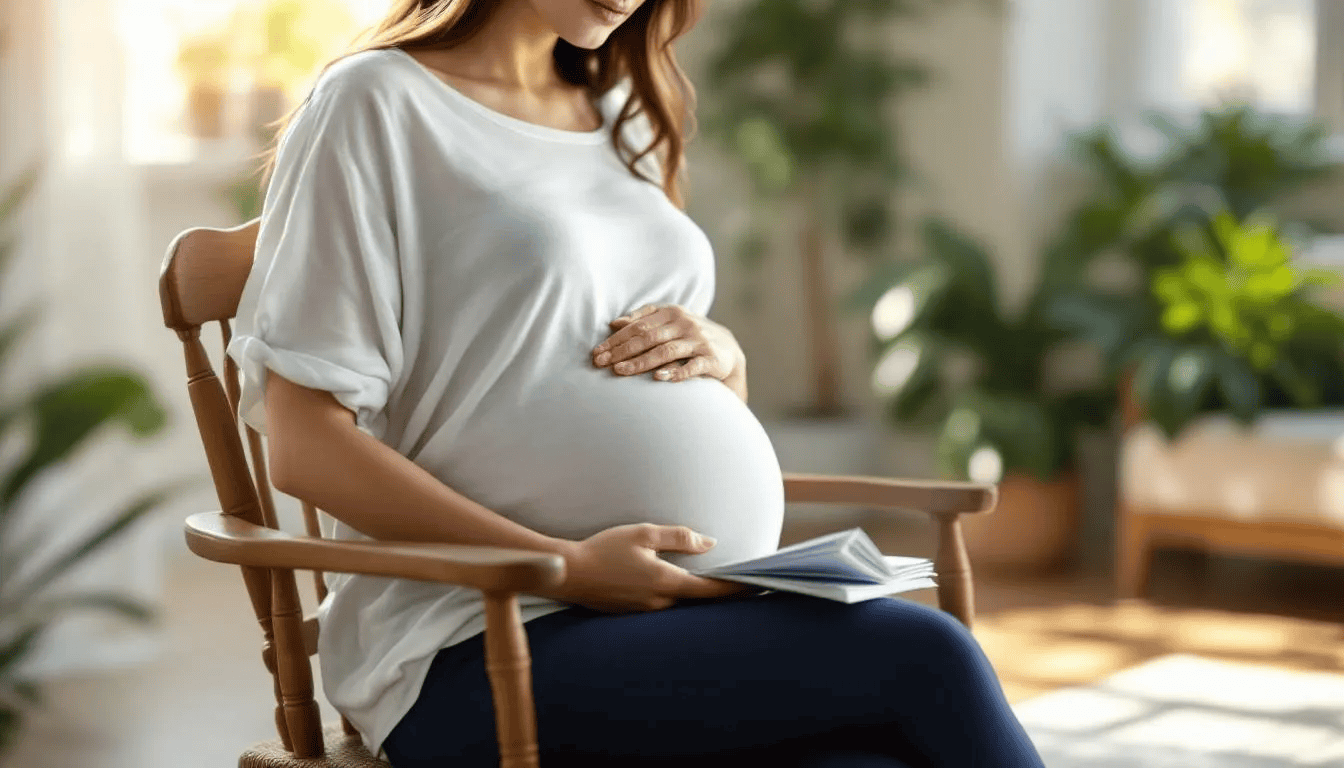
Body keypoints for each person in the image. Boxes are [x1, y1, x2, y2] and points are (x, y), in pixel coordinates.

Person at [227, 0, 1048, 766]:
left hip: (684, 616)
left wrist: (722, 354)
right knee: (924, 653)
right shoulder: (375, 103)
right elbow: (306, 448)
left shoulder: (617, 109)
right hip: (478, 636)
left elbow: (604, 374)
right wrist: (561, 564)